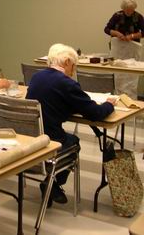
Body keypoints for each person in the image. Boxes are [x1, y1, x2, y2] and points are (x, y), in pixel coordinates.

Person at [26, 43, 116, 207]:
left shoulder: (36, 76)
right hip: (50, 140)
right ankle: (52, 182)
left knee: (68, 137)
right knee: (74, 142)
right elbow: (95, 114)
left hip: (29, 138)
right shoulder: (67, 83)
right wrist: (110, 104)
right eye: (73, 65)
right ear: (67, 62)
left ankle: (51, 183)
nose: (73, 71)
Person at [104, 0, 144, 99]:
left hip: (133, 48)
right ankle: (118, 99)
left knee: (131, 75)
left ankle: (131, 100)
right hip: (118, 48)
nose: (129, 12)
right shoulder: (117, 16)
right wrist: (117, 33)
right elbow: (107, 29)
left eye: (131, 10)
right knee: (119, 74)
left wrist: (132, 36)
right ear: (123, 8)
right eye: (127, 10)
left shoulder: (138, 17)